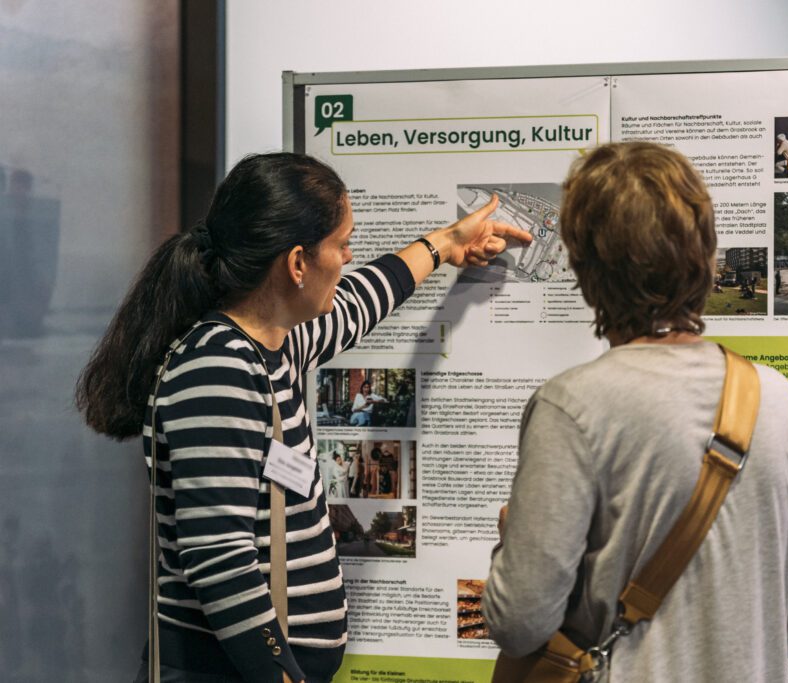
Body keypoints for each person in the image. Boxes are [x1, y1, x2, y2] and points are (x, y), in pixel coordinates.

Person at [75, 152, 531, 683]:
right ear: (297, 264)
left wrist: (447, 244)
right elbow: (220, 561)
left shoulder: (275, 345)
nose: (348, 257)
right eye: (341, 245)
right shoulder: (217, 368)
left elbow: (364, 300)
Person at [483, 142, 788, 681]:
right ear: (707, 256)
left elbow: (520, 624)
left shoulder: (571, 406)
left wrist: (516, 544)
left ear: (584, 264)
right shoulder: (778, 398)